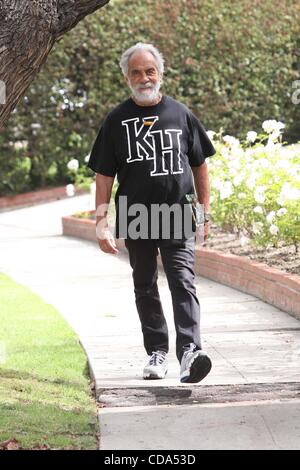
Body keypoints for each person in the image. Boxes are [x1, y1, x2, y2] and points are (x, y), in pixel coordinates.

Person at [87, 42, 216, 383]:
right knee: (145, 286)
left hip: (177, 214)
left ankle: (190, 353)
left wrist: (203, 213)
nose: (144, 78)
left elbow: (200, 165)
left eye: (149, 71)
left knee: (182, 282)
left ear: (160, 74)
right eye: (136, 72)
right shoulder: (115, 121)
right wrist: (101, 222)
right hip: (137, 215)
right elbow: (103, 174)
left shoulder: (181, 114)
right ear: (126, 77)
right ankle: (156, 352)